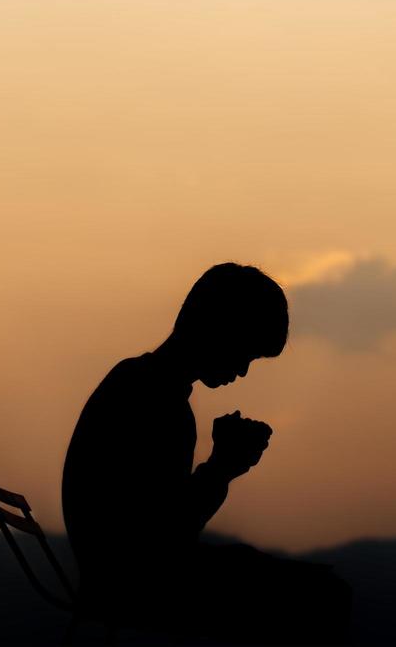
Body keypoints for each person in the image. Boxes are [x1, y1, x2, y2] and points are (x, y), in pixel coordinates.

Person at [62, 262, 351, 643]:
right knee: (324, 594)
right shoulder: (157, 402)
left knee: (273, 571)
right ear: (218, 330)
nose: (244, 371)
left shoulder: (137, 380)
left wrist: (221, 468)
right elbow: (165, 538)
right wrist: (222, 467)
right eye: (246, 351)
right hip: (130, 584)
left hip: (111, 574)